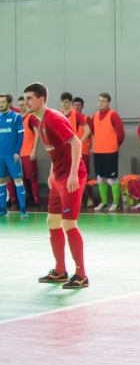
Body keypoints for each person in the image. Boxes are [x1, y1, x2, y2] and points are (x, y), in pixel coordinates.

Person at [24, 83, 89, 289]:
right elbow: (57, 150)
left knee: (69, 223)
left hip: (72, 176)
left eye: (29, 98)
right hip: (59, 176)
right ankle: (60, 270)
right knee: (52, 222)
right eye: (24, 98)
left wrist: (73, 175)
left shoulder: (53, 118)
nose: (26, 102)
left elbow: (76, 143)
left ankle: (81, 274)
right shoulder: (38, 120)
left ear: (41, 100)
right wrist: (53, 173)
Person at [90, 93, 125, 212]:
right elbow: (93, 133)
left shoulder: (113, 115)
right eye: (99, 100)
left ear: (109, 102)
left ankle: (116, 203)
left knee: (112, 179)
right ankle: (104, 203)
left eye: (103, 101)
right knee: (100, 178)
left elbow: (121, 134)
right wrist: (94, 147)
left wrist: (114, 145)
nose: (101, 103)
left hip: (110, 152)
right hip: (98, 152)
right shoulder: (95, 116)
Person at [0, 94, 27, 218]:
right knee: (1, 181)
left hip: (12, 156)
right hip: (1, 156)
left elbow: (21, 136)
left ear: (9, 103)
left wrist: (17, 152)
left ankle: (23, 209)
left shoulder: (16, 117)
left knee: (18, 181)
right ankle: (3, 209)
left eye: (3, 102)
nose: (0, 104)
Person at [17, 98, 41, 210]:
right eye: (20, 105)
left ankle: (36, 201)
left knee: (32, 178)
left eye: (23, 105)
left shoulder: (31, 117)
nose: (21, 107)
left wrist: (34, 150)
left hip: (28, 153)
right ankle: (25, 200)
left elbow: (38, 134)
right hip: (18, 154)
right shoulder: (17, 118)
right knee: (21, 179)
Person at [72, 97, 94, 206]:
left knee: (85, 175)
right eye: (75, 105)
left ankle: (90, 197)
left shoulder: (87, 119)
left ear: (82, 106)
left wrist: (93, 147)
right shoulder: (68, 119)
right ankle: (78, 198)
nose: (77, 107)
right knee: (73, 175)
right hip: (71, 152)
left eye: (79, 105)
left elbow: (92, 133)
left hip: (84, 151)